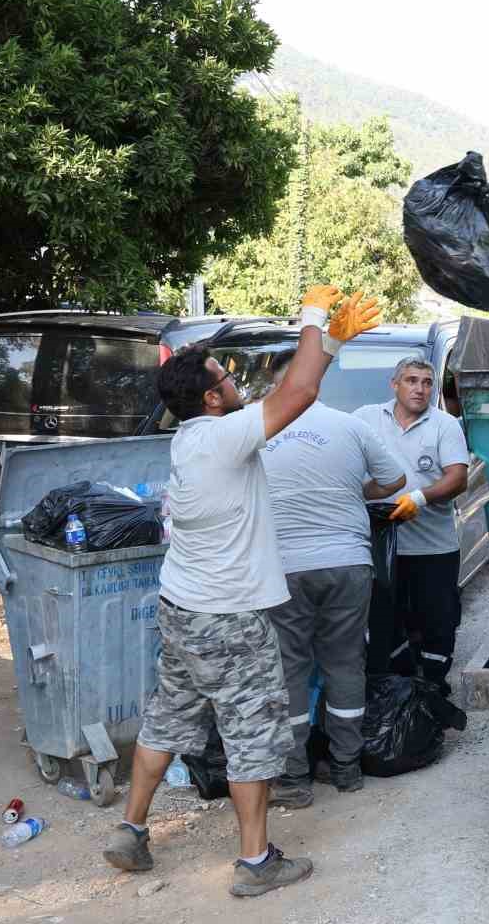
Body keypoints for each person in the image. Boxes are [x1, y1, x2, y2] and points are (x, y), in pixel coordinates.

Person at [101, 286, 381, 897]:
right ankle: (256, 863)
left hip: (182, 611)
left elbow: (284, 397)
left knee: (167, 718)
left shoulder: (193, 439)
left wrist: (331, 343)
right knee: (252, 734)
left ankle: (130, 829)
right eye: (226, 377)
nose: (235, 383)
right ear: (209, 397)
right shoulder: (221, 438)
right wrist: (311, 316)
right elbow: (296, 394)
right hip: (227, 619)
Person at [260, 353, 408, 808]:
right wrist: (351, 491)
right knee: (344, 663)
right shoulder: (351, 427)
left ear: (277, 384)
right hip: (347, 563)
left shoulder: (256, 429)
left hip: (283, 567)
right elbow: (396, 479)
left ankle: (294, 776)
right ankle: (346, 769)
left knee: (291, 670)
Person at [354, 358, 470, 691]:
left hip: (433, 549)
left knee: (437, 624)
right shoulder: (365, 419)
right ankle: (396, 691)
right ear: (394, 385)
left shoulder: (444, 426)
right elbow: (340, 457)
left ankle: (433, 692)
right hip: (380, 550)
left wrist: (418, 499)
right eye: (411, 381)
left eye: (426, 382)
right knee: (384, 623)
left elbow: (457, 478)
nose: (419, 389)